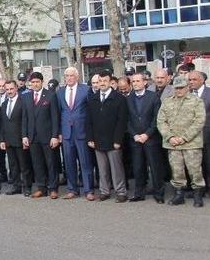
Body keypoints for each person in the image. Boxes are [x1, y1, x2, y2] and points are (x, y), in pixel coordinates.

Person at [158, 76, 206, 207]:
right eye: (176, 88)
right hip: (172, 143)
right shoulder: (167, 102)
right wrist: (169, 137)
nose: (178, 90)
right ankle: (179, 194)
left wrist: (184, 137)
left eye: (181, 88)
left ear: (187, 87)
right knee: (176, 170)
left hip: (191, 143)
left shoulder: (196, 101)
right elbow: (161, 121)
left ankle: (198, 194)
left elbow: (199, 121)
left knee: (194, 170)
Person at [86, 71, 129, 202]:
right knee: (102, 168)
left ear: (111, 82)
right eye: (100, 81)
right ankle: (104, 191)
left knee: (116, 168)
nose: (102, 83)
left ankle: (121, 192)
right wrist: (90, 138)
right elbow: (89, 120)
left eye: (105, 81)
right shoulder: (92, 98)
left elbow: (122, 121)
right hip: (98, 140)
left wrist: (118, 140)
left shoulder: (119, 98)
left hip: (113, 140)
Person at [57, 67, 95, 201]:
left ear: (77, 77)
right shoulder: (60, 92)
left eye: (71, 75)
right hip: (66, 132)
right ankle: (72, 189)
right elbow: (59, 113)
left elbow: (91, 112)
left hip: (82, 131)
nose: (68, 78)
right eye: (66, 75)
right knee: (69, 162)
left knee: (85, 162)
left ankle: (89, 190)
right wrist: (59, 133)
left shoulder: (86, 90)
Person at [126, 72, 164, 203]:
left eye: (138, 81)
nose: (135, 83)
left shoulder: (153, 97)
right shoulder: (128, 98)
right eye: (133, 82)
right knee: (138, 167)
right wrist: (135, 134)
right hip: (135, 139)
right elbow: (127, 120)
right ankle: (139, 193)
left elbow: (157, 119)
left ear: (145, 82)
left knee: (155, 167)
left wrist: (147, 134)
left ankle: (159, 193)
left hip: (151, 138)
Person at [22, 72, 60, 198]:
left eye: (37, 82)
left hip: (47, 136)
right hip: (32, 136)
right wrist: (24, 136)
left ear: (42, 82)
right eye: (32, 82)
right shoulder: (26, 97)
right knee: (37, 164)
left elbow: (55, 117)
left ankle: (53, 188)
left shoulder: (50, 95)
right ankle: (41, 188)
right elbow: (25, 118)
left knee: (51, 163)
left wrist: (55, 135)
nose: (35, 84)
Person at [0, 80, 32, 196]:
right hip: (8, 140)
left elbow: (25, 120)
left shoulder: (23, 102)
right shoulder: (4, 104)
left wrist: (24, 136)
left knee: (24, 165)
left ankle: (27, 187)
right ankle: (16, 186)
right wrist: (2, 139)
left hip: (20, 139)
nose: (9, 91)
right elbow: (2, 124)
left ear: (16, 88)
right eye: (7, 89)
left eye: (11, 89)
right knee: (13, 165)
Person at [187, 71, 210, 186]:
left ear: (202, 80)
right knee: (194, 164)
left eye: (194, 80)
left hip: (207, 135)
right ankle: (196, 188)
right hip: (190, 136)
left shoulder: (209, 93)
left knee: (208, 162)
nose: (191, 82)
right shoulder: (186, 94)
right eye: (189, 80)